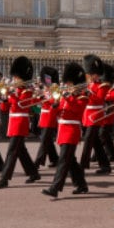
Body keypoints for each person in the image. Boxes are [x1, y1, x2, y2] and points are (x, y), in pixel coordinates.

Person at [42, 62, 90, 198]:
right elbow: (56, 113)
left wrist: (68, 98)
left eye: (70, 83)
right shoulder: (66, 96)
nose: (68, 86)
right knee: (71, 161)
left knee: (63, 160)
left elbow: (77, 110)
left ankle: (55, 188)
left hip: (72, 131)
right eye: (67, 83)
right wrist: (53, 104)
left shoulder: (83, 96)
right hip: (63, 130)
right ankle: (81, 185)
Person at [0, 56, 41, 189]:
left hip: (20, 122)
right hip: (13, 122)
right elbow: (5, 108)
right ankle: (33, 173)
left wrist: (10, 95)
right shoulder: (16, 91)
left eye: (16, 78)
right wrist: (3, 100)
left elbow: (21, 105)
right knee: (20, 151)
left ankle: (4, 178)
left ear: (22, 79)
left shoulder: (27, 91)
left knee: (12, 151)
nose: (14, 80)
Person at [80, 54, 112, 175]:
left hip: (96, 115)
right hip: (87, 115)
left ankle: (83, 165)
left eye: (92, 73)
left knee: (88, 139)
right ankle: (105, 165)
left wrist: (89, 93)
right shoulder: (88, 84)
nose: (91, 76)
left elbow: (99, 99)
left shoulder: (103, 85)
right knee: (95, 142)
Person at [34, 66, 60, 169]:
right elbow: (40, 103)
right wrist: (40, 98)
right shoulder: (45, 88)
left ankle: (37, 163)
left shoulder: (55, 89)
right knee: (47, 140)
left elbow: (56, 102)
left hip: (50, 115)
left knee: (44, 140)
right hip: (44, 115)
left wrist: (46, 98)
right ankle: (55, 159)